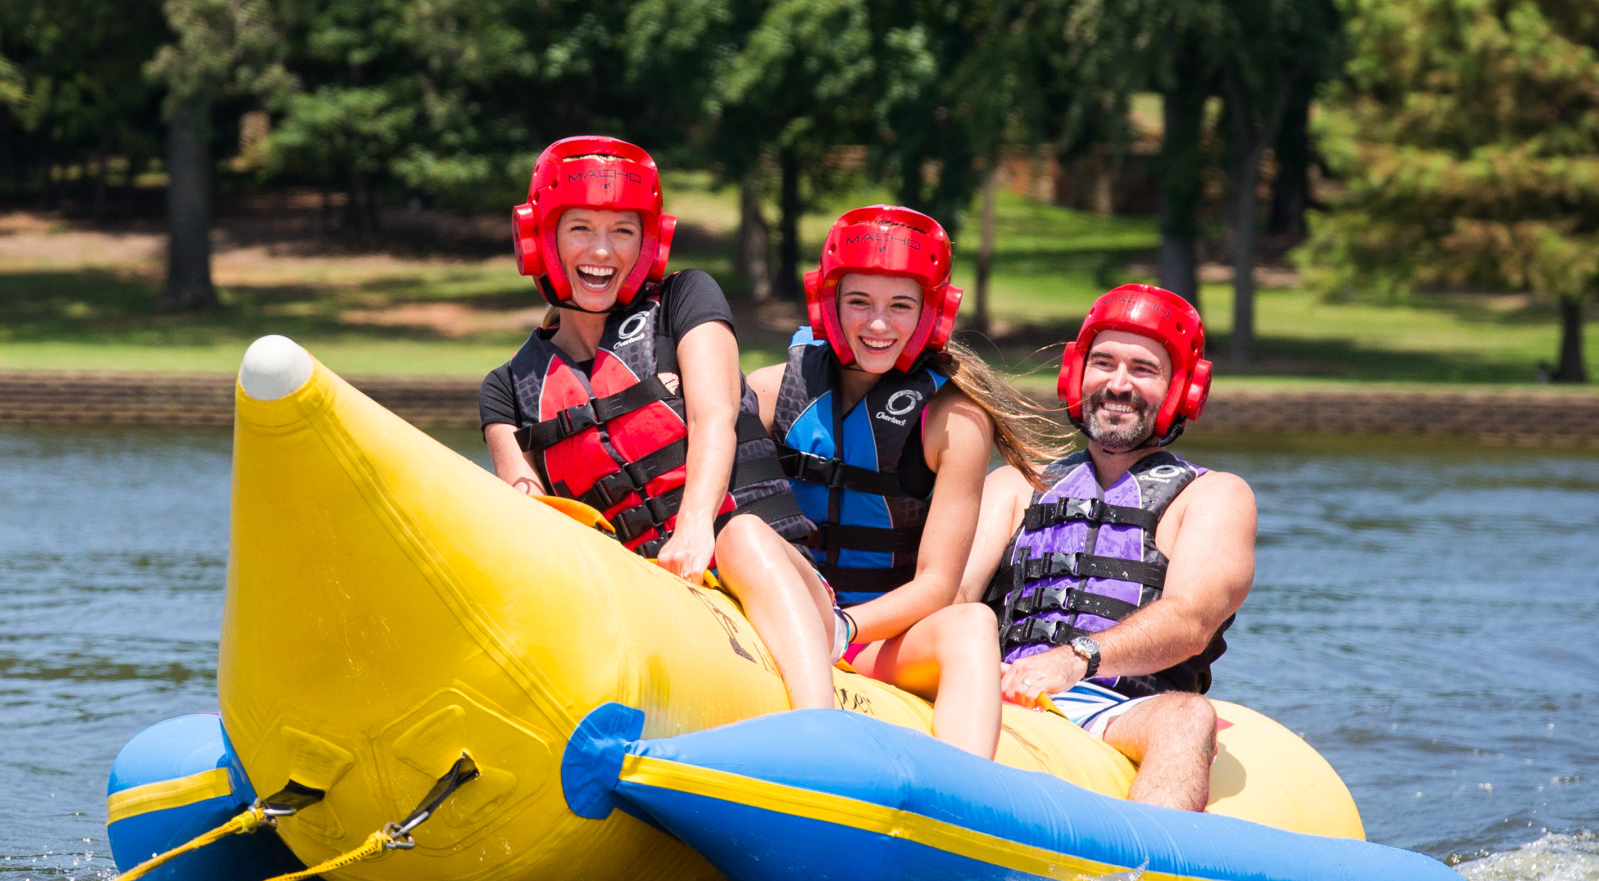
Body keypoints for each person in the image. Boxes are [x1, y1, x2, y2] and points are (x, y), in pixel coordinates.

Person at [481, 137, 839, 708]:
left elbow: (716, 415)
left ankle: (820, 727)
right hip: (652, 609)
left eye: (623, 230)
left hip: (769, 575)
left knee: (740, 535)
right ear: (539, 239)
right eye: (579, 229)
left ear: (650, 241)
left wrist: (696, 528)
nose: (603, 251)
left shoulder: (685, 299)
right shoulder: (507, 391)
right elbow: (525, 513)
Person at [747, 207, 1066, 759]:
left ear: (931, 314)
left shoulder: (955, 422)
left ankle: (964, 803)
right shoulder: (770, 391)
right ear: (828, 304)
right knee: (746, 533)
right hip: (772, 608)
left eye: (900, 305)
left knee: (970, 622)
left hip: (871, 639)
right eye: (859, 303)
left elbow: (937, 586)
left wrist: (842, 630)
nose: (878, 324)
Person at [957, 284, 1255, 810]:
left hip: (1120, 710)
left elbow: (1191, 621)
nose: (1118, 384)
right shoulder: (1013, 484)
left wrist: (1074, 660)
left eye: (1143, 369)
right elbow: (952, 599)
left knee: (1189, 715)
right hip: (997, 687)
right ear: (1076, 374)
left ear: (1182, 389)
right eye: (1103, 363)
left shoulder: (1212, 495)